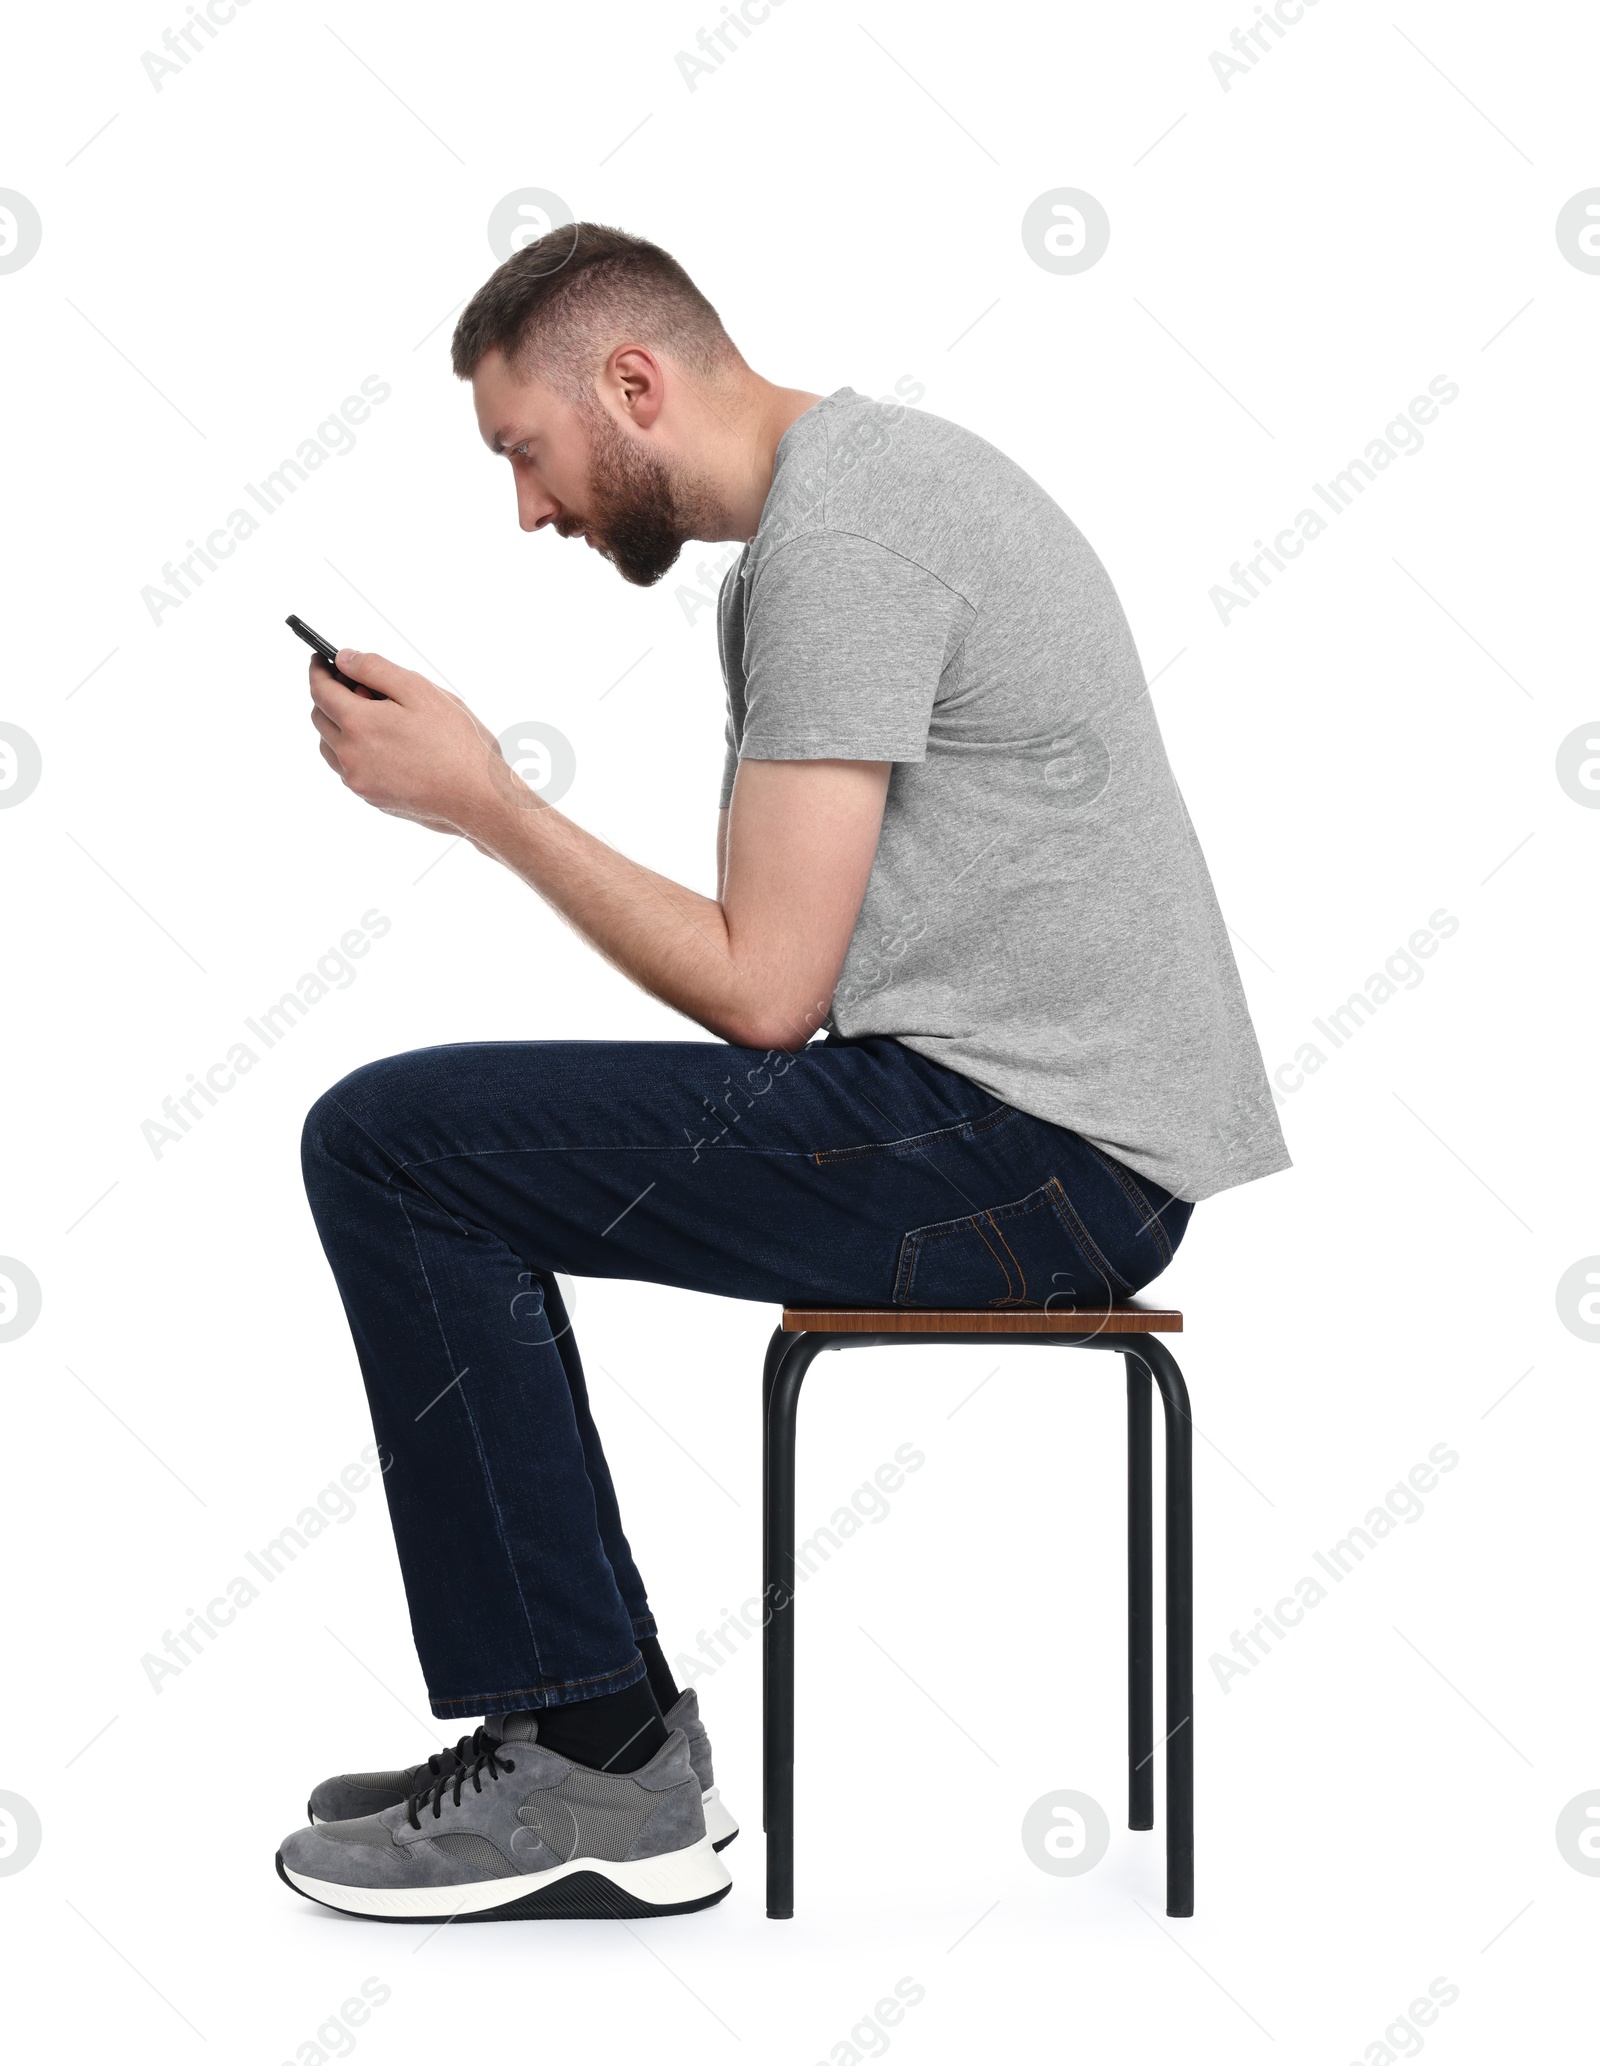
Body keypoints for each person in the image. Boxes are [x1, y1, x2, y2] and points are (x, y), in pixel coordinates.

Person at [274, 223, 1290, 1924]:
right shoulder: (831, 525)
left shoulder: (850, 535)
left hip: (1039, 1154)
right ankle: (574, 1721)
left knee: (388, 1143)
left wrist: (489, 801)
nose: (529, 508)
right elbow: (786, 981)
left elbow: (761, 991)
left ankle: (594, 1753)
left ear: (633, 383)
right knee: (403, 1139)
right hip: (1018, 1127)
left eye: (524, 451)